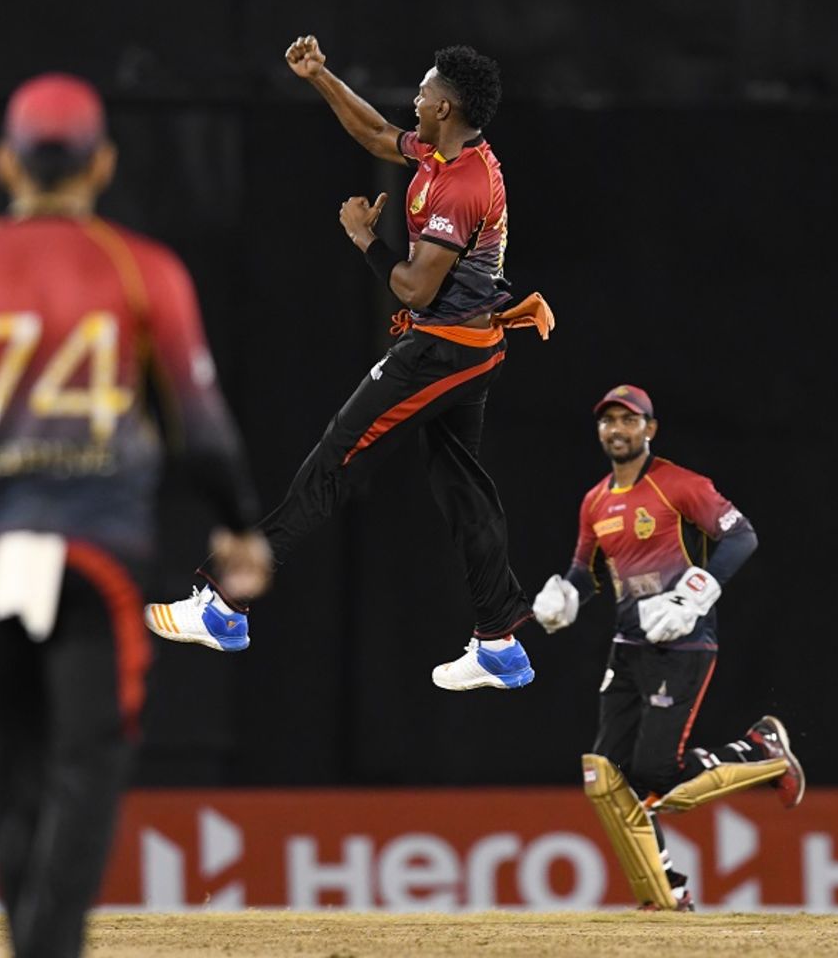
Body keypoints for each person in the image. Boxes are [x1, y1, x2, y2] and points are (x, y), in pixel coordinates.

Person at [0, 73, 269, 958]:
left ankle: (29, 939)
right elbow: (198, 420)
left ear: (5, 162)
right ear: (102, 165)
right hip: (95, 555)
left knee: (22, 762)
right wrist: (239, 524)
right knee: (89, 758)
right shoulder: (142, 268)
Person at [142, 34, 555, 690]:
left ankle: (224, 605)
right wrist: (320, 76)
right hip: (470, 347)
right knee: (462, 488)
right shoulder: (442, 149)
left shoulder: (462, 185)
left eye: (424, 92)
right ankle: (499, 642)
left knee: (334, 461)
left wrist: (365, 238)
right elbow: (374, 133)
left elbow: (416, 287)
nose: (415, 100)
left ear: (445, 108)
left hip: (443, 351)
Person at [532, 384, 805, 910]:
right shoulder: (595, 501)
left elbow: (741, 536)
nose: (618, 430)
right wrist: (564, 594)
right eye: (609, 421)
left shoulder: (679, 486)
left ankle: (762, 749)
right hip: (627, 647)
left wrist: (695, 594)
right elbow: (587, 572)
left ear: (649, 430)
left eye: (629, 421)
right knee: (607, 777)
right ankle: (668, 889)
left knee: (658, 775)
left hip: (683, 643)